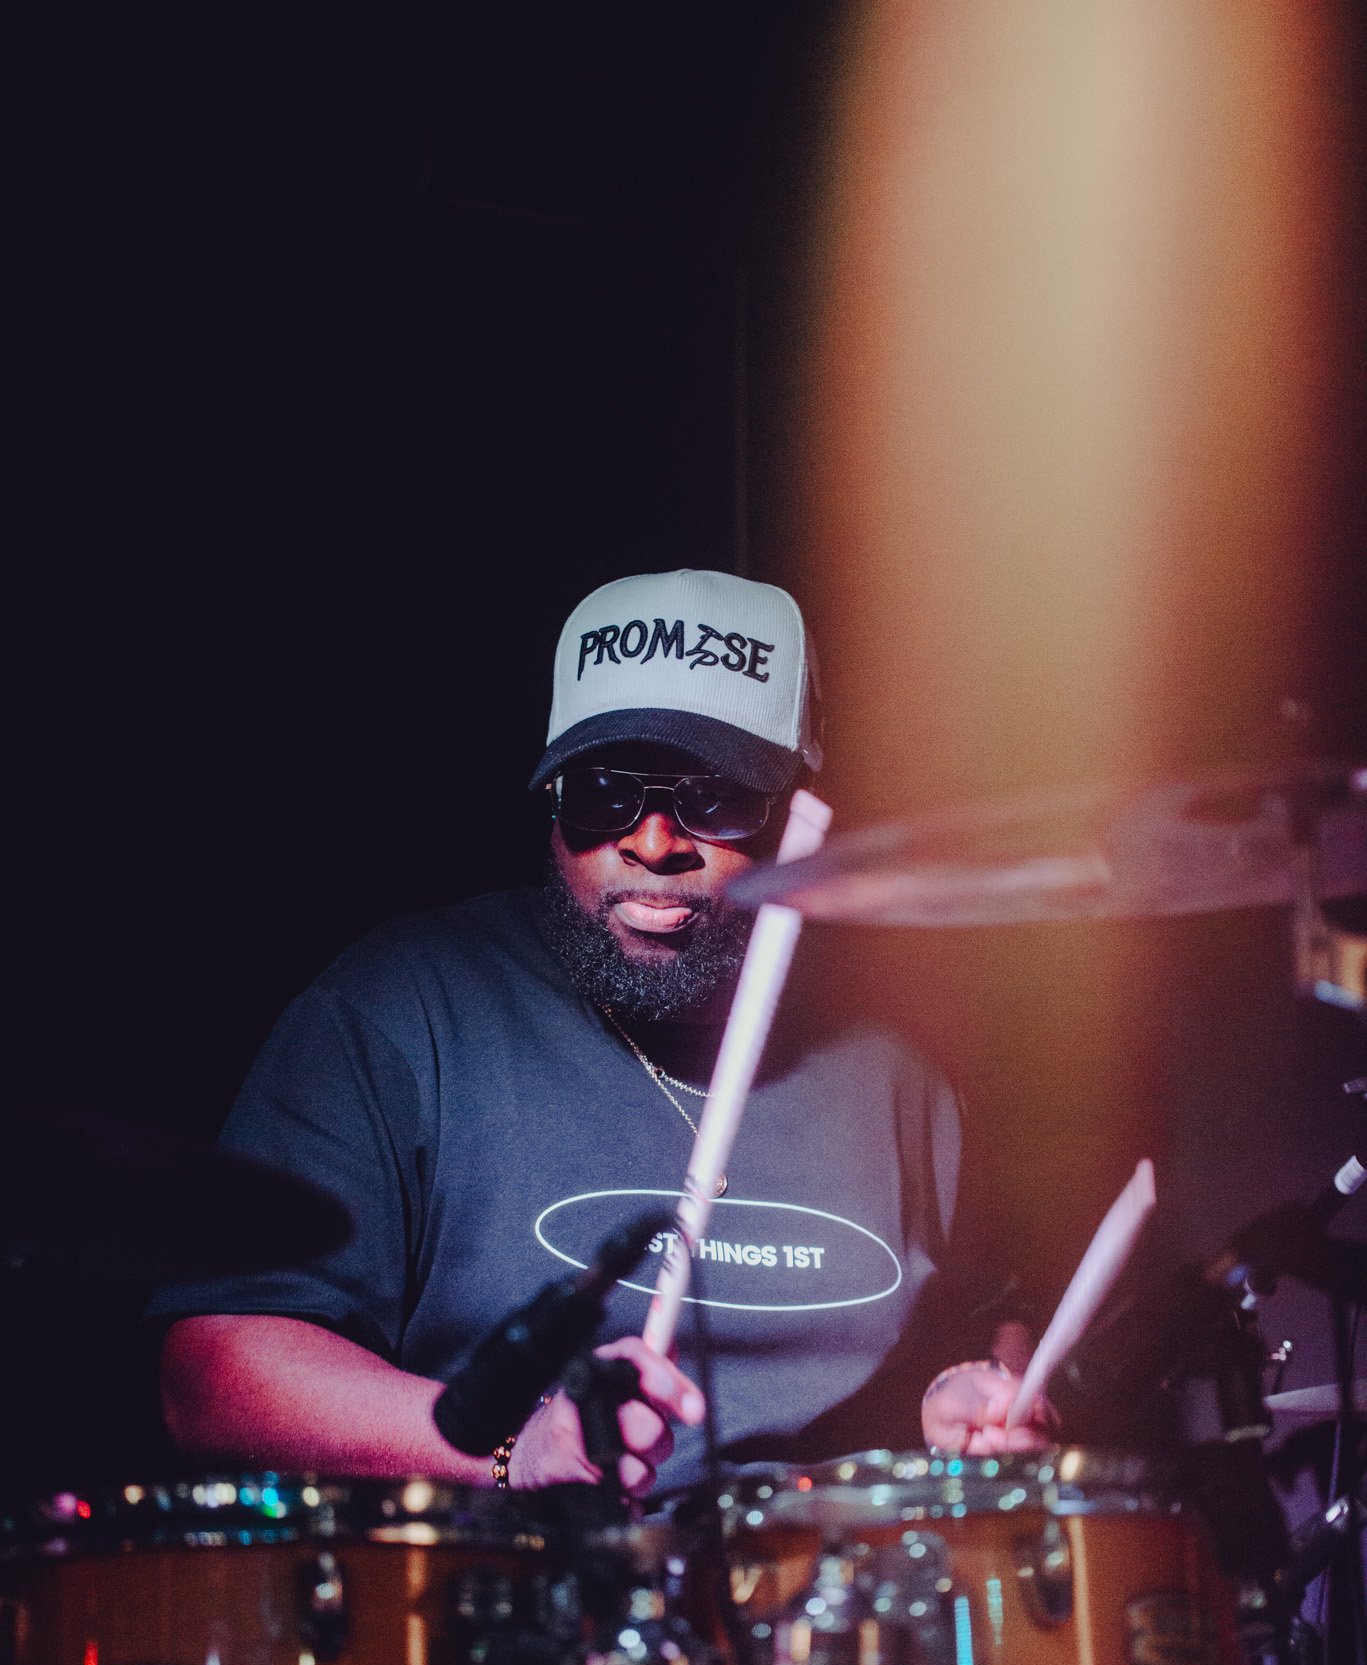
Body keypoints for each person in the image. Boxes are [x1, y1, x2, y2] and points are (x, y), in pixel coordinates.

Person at [155, 568, 1047, 1496]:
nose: (652, 842)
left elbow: (987, 1322)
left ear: (799, 813)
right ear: (550, 808)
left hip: (829, 1609)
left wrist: (966, 1396)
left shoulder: (894, 1068)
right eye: (603, 795)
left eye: (714, 797)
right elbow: (214, 1374)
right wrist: (511, 1449)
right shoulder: (403, 1009)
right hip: (511, 1601)